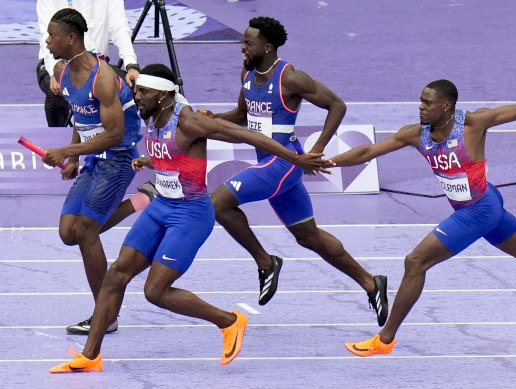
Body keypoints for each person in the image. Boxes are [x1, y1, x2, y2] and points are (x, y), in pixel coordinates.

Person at [48, 63, 334, 373]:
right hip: (161, 208)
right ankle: (90, 356)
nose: (136, 96)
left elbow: (249, 136)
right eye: (136, 90)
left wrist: (296, 158)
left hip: (191, 214)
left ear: (164, 94)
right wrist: (151, 159)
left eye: (143, 92)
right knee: (116, 274)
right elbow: (175, 156)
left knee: (155, 292)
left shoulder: (190, 121)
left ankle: (230, 321)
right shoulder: (154, 117)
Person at [331, 79, 516, 356]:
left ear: (446, 105)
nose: (420, 107)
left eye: (427, 103)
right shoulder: (414, 134)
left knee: (415, 261)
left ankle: (384, 340)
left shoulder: (474, 124)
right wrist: (329, 162)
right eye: (421, 101)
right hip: (484, 204)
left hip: (478, 209)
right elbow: (367, 151)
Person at [204, 16, 388, 326]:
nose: (242, 48)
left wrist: (316, 151)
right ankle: (371, 283)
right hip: (268, 163)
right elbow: (241, 114)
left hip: (284, 164)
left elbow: (337, 105)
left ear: (268, 46)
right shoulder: (247, 74)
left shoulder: (290, 78)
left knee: (218, 203)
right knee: (308, 236)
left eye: (248, 43)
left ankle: (266, 262)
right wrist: (210, 120)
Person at [41, 8, 154, 336]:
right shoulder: (62, 70)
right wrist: (76, 157)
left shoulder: (103, 77)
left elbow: (115, 134)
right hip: (91, 157)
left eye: (52, 36)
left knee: (86, 231)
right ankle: (142, 201)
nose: (47, 41)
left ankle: (105, 315)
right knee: (68, 233)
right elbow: (79, 114)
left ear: (71, 39)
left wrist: (66, 151)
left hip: (117, 157)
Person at [36, 0, 140, 127]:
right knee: (56, 97)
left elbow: (119, 27)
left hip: (98, 65)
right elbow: (46, 35)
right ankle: (58, 142)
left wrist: (131, 64)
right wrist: (54, 72)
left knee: (131, 87)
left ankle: (123, 139)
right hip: (56, 62)